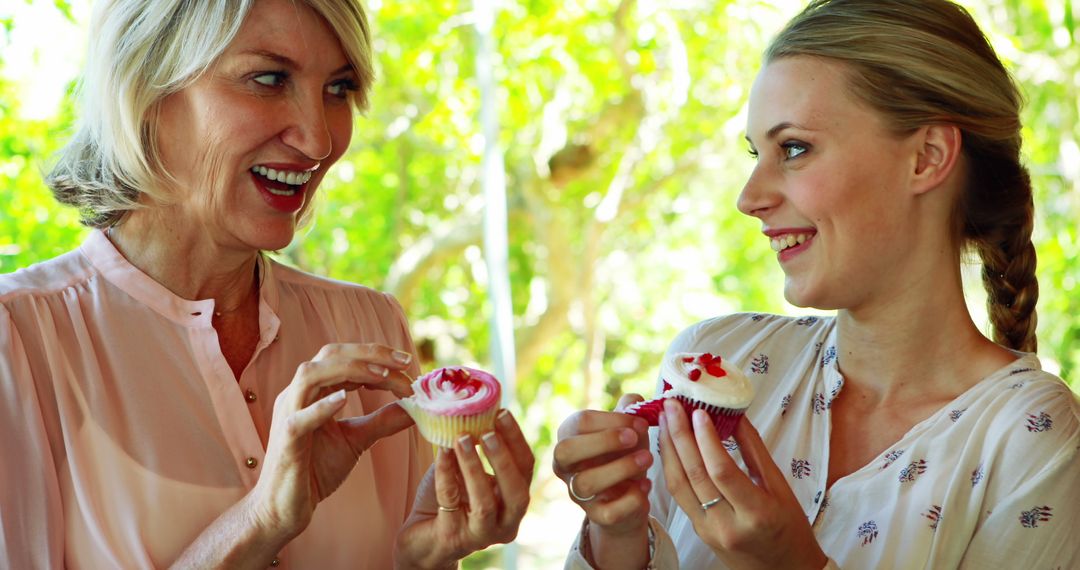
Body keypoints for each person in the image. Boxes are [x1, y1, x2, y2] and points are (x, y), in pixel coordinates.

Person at [0, 0, 533, 567]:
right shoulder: (22, 343)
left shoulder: (371, 326)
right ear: (146, 88)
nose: (318, 140)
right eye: (270, 79)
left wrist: (419, 560)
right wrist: (262, 521)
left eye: (339, 88)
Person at [553, 0, 1080, 567]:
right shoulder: (719, 363)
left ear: (926, 158)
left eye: (794, 149)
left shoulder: (1035, 441)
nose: (749, 198)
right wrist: (619, 532)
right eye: (757, 153)